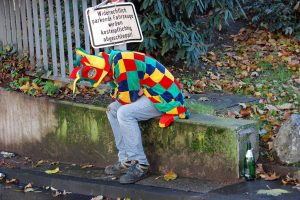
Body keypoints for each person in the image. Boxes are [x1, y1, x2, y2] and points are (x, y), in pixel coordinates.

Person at [70, 48, 189, 184]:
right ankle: (125, 160)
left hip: (165, 97)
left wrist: (129, 94)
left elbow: (128, 97)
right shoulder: (115, 61)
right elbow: (127, 93)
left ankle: (140, 164)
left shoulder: (122, 63)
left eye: (103, 79)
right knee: (112, 110)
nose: (103, 82)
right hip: (149, 92)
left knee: (124, 113)